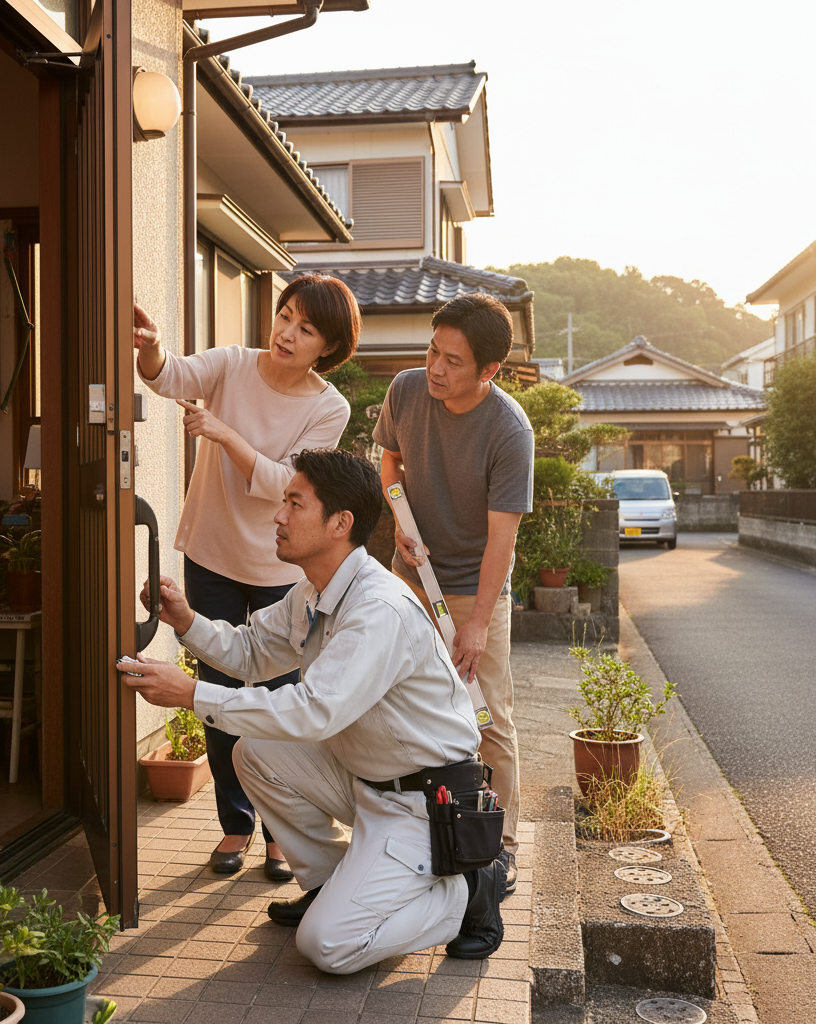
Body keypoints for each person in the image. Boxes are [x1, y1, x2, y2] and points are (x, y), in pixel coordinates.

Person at [119, 449, 505, 975]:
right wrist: (187, 621)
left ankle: (471, 892)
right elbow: (253, 650)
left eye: (294, 504)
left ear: (339, 524)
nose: (278, 516)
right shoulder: (314, 591)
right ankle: (328, 886)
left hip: (425, 804)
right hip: (367, 778)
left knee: (326, 947)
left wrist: (192, 694)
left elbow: (313, 712)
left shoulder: (377, 610)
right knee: (256, 753)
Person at [133, 275, 360, 881]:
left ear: (327, 346)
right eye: (285, 315)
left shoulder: (327, 406)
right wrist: (151, 347)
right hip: (211, 552)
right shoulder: (231, 365)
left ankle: (282, 833)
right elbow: (169, 375)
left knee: (278, 699)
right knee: (217, 691)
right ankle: (235, 823)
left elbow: (284, 481)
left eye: (306, 328)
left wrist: (222, 431)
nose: (287, 332)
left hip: (279, 568)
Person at [372, 293, 534, 894]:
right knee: (398, 700)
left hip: (473, 586)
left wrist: (477, 624)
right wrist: (400, 520)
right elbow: (389, 465)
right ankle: (414, 829)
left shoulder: (508, 429)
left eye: (453, 361)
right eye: (432, 351)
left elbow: (503, 539)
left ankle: (502, 845)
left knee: (488, 713)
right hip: (407, 576)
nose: (436, 369)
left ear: (489, 369)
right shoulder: (408, 390)